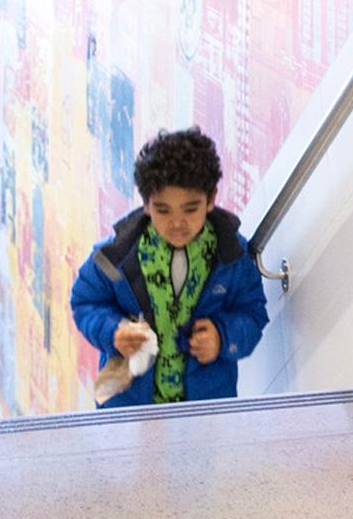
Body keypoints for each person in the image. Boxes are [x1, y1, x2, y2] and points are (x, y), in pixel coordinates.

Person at [69, 126, 269, 408]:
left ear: (211, 199)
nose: (177, 223)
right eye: (163, 210)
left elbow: (253, 314)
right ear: (147, 204)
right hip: (128, 407)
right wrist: (113, 331)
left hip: (206, 409)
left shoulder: (232, 255)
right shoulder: (116, 254)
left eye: (190, 209)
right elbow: (85, 301)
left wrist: (223, 337)